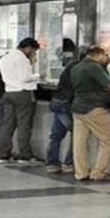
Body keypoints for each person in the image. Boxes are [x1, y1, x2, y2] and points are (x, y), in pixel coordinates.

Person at [70, 45, 110, 181]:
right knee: (108, 140)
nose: (108, 58)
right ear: (98, 54)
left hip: (78, 108)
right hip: (95, 108)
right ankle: (98, 173)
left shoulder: (76, 67)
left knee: (79, 142)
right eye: (106, 55)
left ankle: (81, 172)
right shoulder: (94, 67)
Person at [0, 38, 44, 163]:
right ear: (28, 48)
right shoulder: (21, 58)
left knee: (7, 124)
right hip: (23, 93)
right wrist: (38, 75)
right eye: (33, 51)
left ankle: (3, 153)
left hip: (8, 92)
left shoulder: (4, 58)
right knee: (24, 125)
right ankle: (26, 154)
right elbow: (25, 77)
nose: (33, 53)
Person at [44, 39, 79, 174]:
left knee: (56, 135)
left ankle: (52, 163)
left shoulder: (70, 66)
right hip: (67, 104)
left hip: (57, 101)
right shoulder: (79, 67)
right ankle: (68, 163)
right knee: (76, 133)